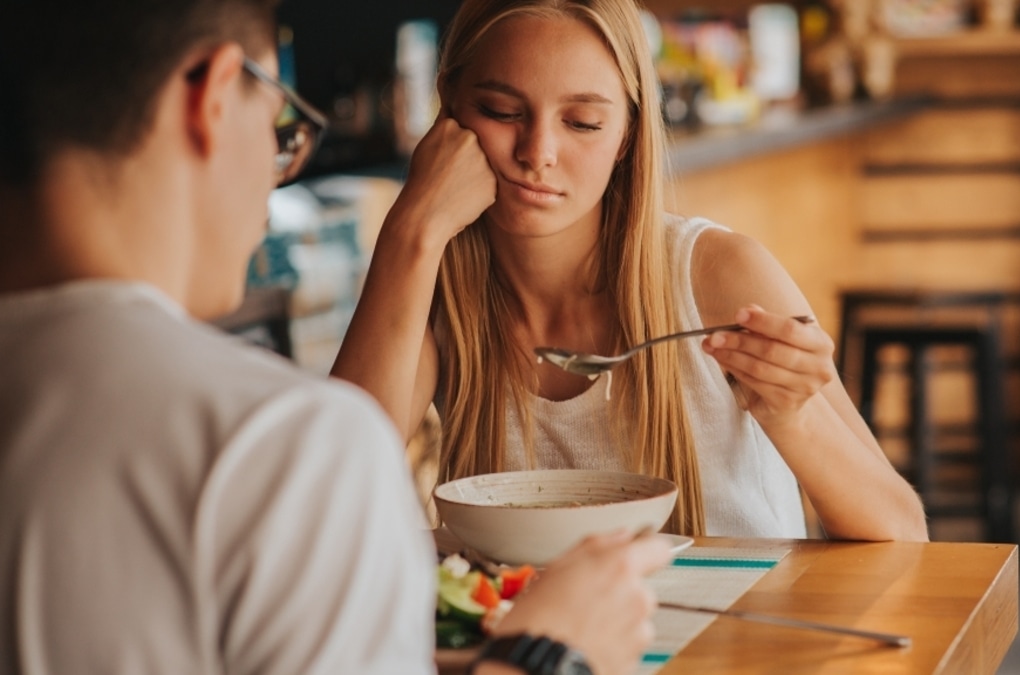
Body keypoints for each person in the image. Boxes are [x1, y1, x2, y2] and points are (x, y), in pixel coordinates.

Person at [0, 1, 671, 674]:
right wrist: (548, 652)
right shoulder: (278, 443)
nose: (274, 169)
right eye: (279, 121)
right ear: (212, 95)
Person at [332, 0, 929, 542]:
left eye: (583, 123)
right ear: (449, 109)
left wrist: (793, 414)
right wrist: (411, 229)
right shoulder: (436, 293)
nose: (538, 151)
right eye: (501, 110)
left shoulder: (718, 276)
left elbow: (902, 534)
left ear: (625, 136)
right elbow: (326, 495)